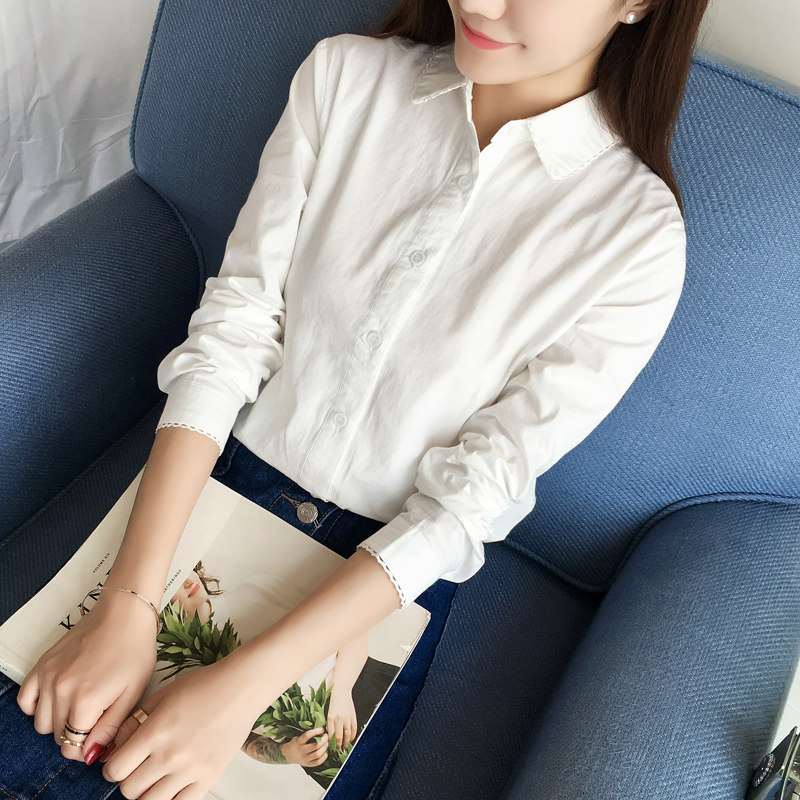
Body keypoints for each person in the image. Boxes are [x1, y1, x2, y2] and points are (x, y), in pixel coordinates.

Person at [1, 0, 710, 797]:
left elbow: (467, 505)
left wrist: (238, 692)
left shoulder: (637, 238)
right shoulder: (346, 78)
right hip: (210, 477)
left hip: (380, 574)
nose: (479, 3)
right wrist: (128, 603)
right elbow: (233, 332)